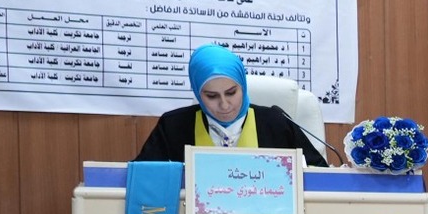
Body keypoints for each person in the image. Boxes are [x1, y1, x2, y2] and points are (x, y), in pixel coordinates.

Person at [134, 43, 328, 165]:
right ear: (198, 94)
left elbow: (318, 173)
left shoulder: (276, 123)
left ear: (243, 86)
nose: (225, 105)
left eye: (231, 93)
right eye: (212, 96)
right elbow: (144, 177)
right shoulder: (173, 126)